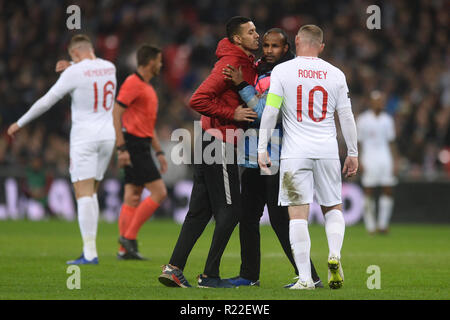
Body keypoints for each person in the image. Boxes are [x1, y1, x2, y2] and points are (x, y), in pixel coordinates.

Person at [158, 16, 259, 288]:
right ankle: (210, 276)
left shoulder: (242, 62)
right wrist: (232, 112)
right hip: (220, 144)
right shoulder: (230, 63)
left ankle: (173, 268)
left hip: (210, 141)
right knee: (231, 210)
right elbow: (198, 99)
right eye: (251, 32)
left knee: (199, 212)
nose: (256, 35)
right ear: (237, 38)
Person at [257, 25, 359, 290]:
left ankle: (305, 279)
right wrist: (353, 152)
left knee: (297, 215)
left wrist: (261, 148)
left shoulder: (282, 70)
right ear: (321, 46)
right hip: (326, 151)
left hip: (295, 153)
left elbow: (270, 112)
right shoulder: (335, 74)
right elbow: (346, 117)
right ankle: (334, 254)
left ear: (298, 41)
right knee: (333, 207)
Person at [221, 28, 323, 288]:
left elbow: (267, 111)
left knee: (280, 220)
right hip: (255, 155)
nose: (268, 50)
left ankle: (310, 276)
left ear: (286, 48)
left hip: (278, 155)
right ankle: (248, 275)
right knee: (248, 217)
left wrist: (243, 86)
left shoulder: (287, 73)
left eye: (274, 46)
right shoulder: (260, 70)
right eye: (265, 45)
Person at [8, 34, 117, 265]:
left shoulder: (73, 72)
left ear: (74, 53)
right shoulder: (110, 66)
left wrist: (20, 122)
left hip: (84, 138)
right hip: (108, 136)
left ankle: (89, 253)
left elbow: (47, 101)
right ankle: (91, 250)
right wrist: (74, 65)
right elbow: (90, 68)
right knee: (92, 191)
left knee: (83, 193)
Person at [112, 45, 168, 260]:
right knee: (159, 192)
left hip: (142, 144)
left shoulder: (147, 88)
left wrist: (159, 152)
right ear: (151, 61)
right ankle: (128, 237)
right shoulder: (133, 83)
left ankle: (124, 251)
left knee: (133, 196)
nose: (161, 65)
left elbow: (148, 125)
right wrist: (121, 147)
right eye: (159, 61)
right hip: (133, 145)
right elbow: (116, 113)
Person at [357, 90, 398, 234]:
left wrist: (395, 161)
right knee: (368, 190)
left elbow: (392, 142)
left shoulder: (387, 119)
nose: (380, 103)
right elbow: (359, 142)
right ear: (371, 102)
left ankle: (383, 224)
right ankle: (370, 226)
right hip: (368, 158)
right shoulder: (363, 119)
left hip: (385, 157)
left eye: (382, 101)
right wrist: (358, 159)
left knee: (387, 189)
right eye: (377, 101)